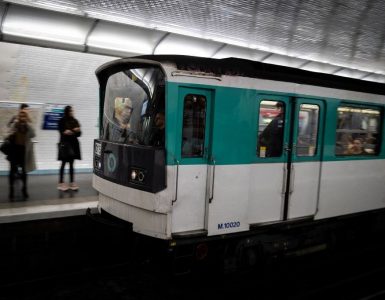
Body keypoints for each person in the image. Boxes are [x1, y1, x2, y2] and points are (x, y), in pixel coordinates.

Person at [8, 110, 36, 199]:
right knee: (12, 171)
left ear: (26, 117)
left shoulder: (28, 126)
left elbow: (33, 134)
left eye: (24, 116)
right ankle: (11, 189)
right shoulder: (15, 125)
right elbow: (8, 134)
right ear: (18, 117)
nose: (22, 118)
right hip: (14, 150)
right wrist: (11, 133)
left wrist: (27, 124)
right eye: (20, 116)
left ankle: (24, 189)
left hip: (24, 151)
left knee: (24, 171)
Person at [57, 106, 81, 191]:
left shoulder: (75, 121)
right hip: (65, 145)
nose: (72, 112)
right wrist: (74, 130)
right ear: (66, 111)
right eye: (70, 111)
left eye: (72, 111)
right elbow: (63, 132)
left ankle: (71, 182)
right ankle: (61, 183)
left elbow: (79, 134)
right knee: (63, 163)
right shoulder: (62, 121)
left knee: (71, 164)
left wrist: (74, 131)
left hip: (73, 145)